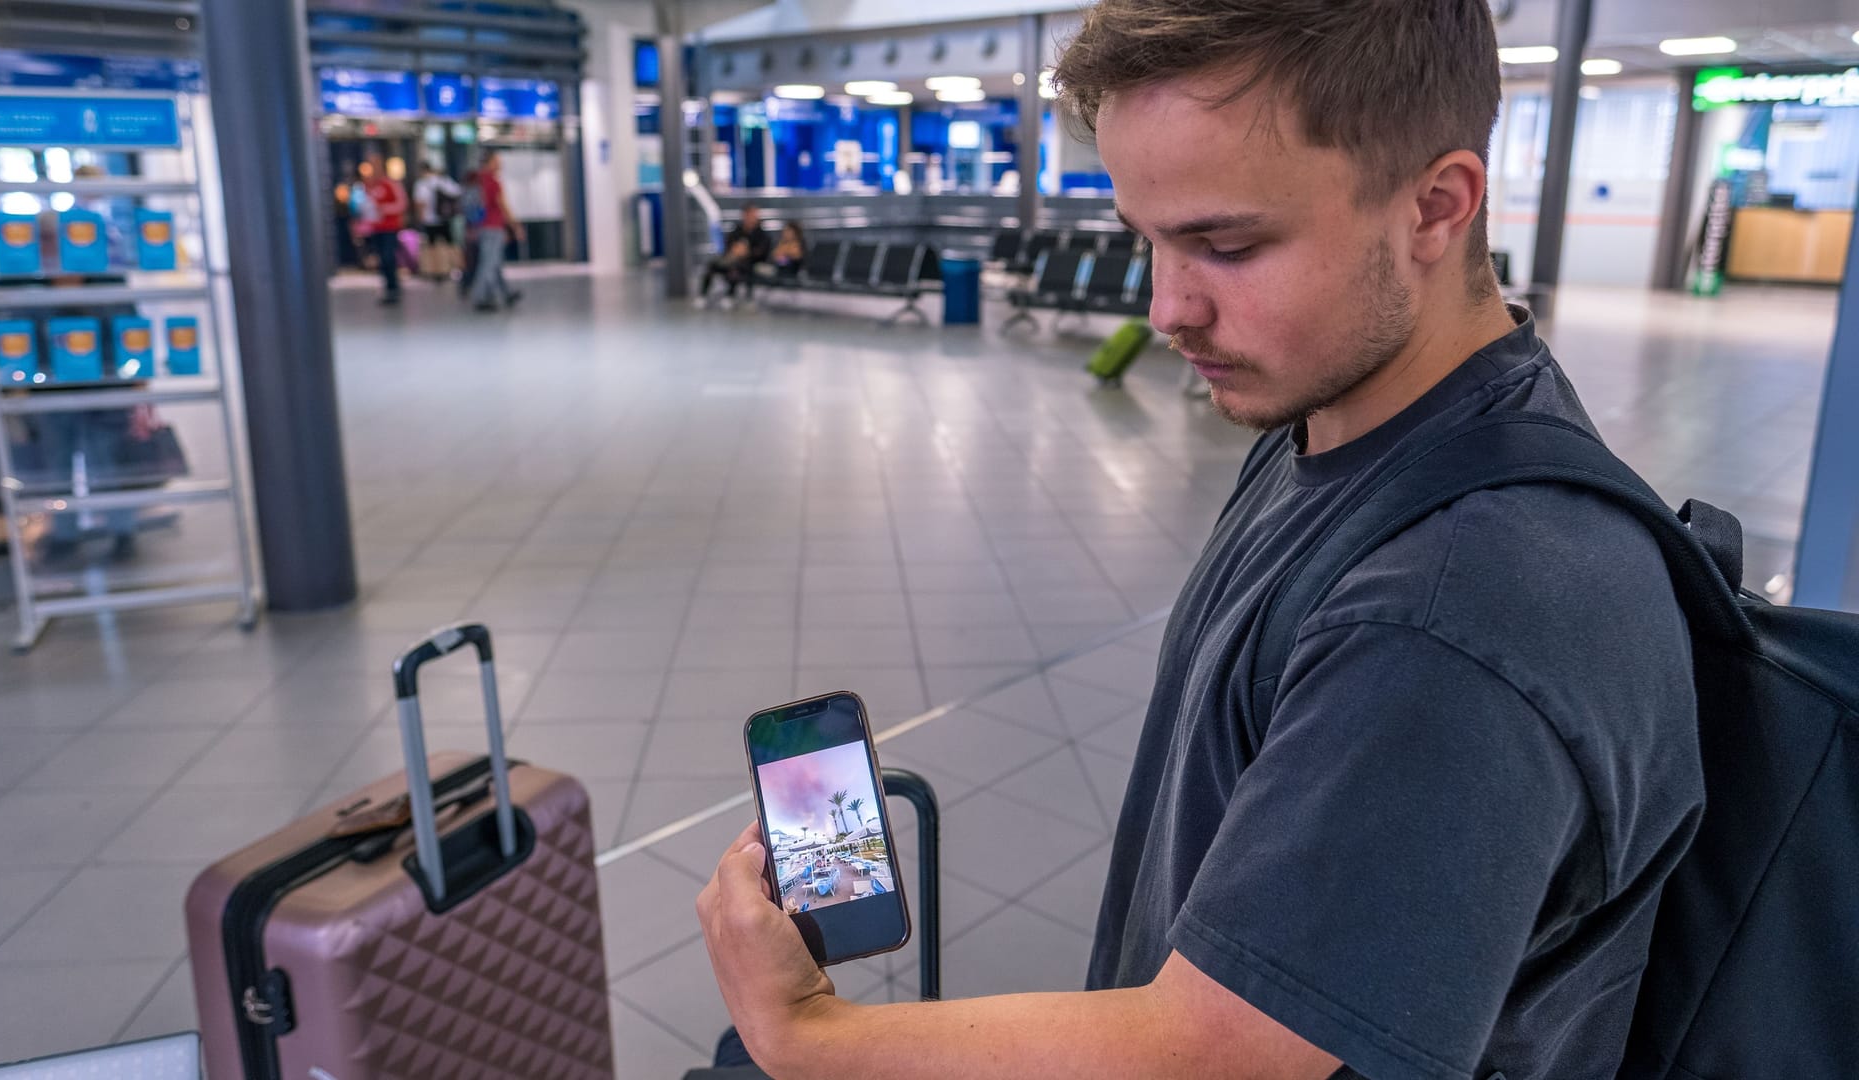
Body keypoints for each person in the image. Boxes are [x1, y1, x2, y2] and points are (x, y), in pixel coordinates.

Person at [696, 3, 1702, 1079]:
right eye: (1145, 238)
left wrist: (806, 1034)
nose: (1168, 307)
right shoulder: (1335, 419)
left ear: (1435, 207)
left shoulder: (1458, 608)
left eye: (1225, 245)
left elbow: (1217, 1054)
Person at [467, 151, 523, 313]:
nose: (501, 164)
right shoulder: (493, 181)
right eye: (498, 160)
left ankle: (507, 293)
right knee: (489, 264)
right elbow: (502, 205)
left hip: (481, 227)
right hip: (493, 226)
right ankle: (481, 297)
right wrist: (515, 226)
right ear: (490, 162)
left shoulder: (478, 179)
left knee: (494, 262)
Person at [695, 202, 770, 307]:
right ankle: (703, 296)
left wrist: (746, 252)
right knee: (711, 266)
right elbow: (728, 245)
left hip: (749, 262)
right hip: (731, 258)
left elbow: (762, 251)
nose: (753, 217)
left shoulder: (761, 233)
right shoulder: (737, 230)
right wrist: (735, 250)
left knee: (735, 269)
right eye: (750, 214)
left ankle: (730, 295)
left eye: (754, 214)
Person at [359, 152, 408, 306]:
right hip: (376, 228)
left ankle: (393, 287)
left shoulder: (391, 184)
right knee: (381, 259)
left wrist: (384, 209)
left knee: (388, 256)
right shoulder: (369, 186)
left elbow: (402, 204)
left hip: (390, 228)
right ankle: (387, 286)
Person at [411, 161, 462, 284]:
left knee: (432, 245)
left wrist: (420, 217)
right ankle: (454, 267)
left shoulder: (421, 184)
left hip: (429, 219)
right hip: (444, 217)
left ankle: (435, 270)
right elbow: (457, 191)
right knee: (450, 244)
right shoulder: (442, 180)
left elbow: (419, 203)